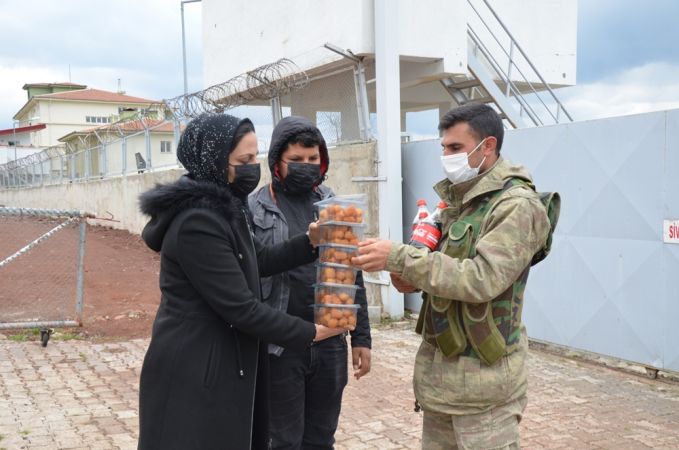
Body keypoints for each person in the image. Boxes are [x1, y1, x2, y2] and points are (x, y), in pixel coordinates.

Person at [136, 113, 349, 450]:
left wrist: (311, 241)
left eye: (255, 157)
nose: (254, 166)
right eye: (244, 160)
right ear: (215, 161)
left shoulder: (226, 207)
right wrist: (310, 333)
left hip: (220, 358)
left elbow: (257, 260)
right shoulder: (198, 222)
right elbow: (241, 308)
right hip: (196, 366)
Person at [352, 103, 551, 449]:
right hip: (443, 385)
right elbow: (436, 268)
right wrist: (406, 276)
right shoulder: (458, 202)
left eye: (455, 148)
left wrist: (400, 256)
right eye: (443, 147)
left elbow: (482, 278)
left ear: (487, 146)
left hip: (486, 392)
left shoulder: (516, 205)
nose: (446, 155)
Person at [249, 115, 372, 450]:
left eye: (313, 159)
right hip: (280, 346)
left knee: (321, 439)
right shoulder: (254, 208)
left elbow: (351, 271)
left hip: (330, 340)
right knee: (283, 442)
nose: (307, 166)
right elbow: (251, 271)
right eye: (297, 160)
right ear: (277, 162)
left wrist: (361, 337)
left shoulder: (334, 204)